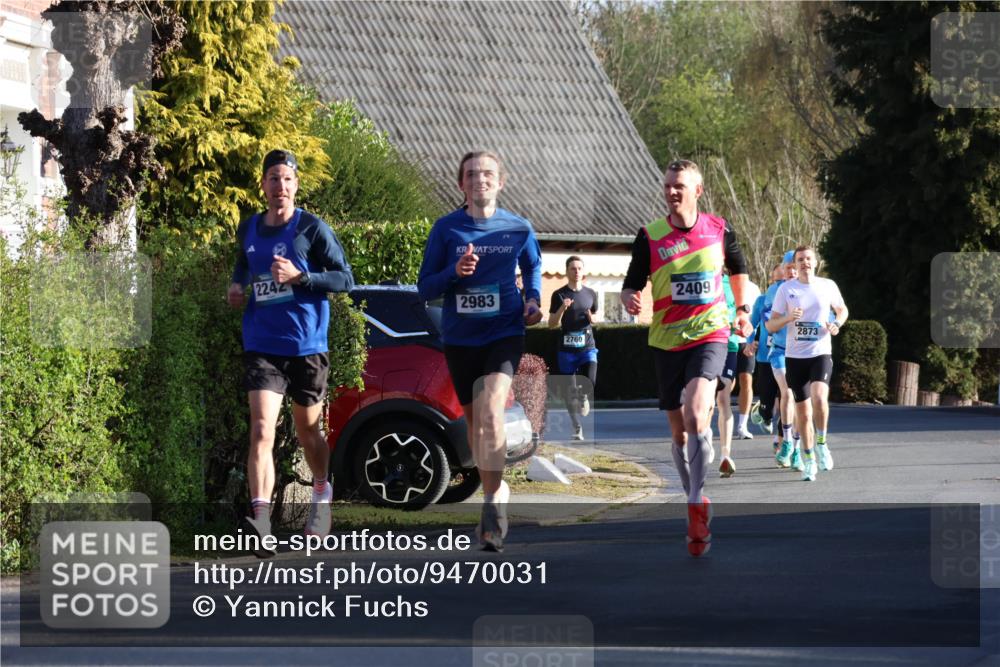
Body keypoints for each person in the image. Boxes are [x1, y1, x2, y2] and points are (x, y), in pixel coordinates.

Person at [620, 159, 752, 557]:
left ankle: (696, 499)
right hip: (666, 340)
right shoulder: (650, 236)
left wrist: (742, 309)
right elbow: (630, 283)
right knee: (678, 434)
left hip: (710, 333)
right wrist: (629, 297)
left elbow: (739, 267)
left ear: (698, 190)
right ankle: (692, 497)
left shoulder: (719, 228)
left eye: (679, 185)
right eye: (667, 186)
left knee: (697, 413)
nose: (671, 192)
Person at [228, 149, 355, 557]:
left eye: (286, 179)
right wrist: (236, 286)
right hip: (262, 343)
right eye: (272, 179)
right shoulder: (248, 228)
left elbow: (345, 279)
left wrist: (302, 276)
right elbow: (243, 267)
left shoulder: (313, 229)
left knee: (307, 432)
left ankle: (321, 491)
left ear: (296, 185)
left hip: (306, 345)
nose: (279, 186)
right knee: (262, 429)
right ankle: (261, 519)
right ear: (262, 184)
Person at [417, 150, 543, 552]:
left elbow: (534, 268)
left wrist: (534, 300)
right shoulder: (446, 230)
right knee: (475, 427)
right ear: (461, 185)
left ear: (500, 182)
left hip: (504, 332)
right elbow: (425, 287)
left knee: (491, 411)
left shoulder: (518, 228)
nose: (480, 180)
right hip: (459, 338)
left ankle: (491, 509)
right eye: (472, 174)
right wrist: (454, 273)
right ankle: (497, 486)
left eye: (487, 174)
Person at [766, 245, 848, 481]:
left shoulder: (827, 285)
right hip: (795, 357)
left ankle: (821, 443)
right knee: (802, 411)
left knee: (820, 397)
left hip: (820, 352)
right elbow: (771, 325)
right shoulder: (786, 289)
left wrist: (837, 324)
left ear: (815, 262)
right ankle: (809, 459)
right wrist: (788, 318)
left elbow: (842, 309)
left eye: (808, 259)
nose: (804, 263)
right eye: (800, 259)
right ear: (795, 264)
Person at [548, 256, 599, 441]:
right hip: (566, 350)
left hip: (587, 346)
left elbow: (594, 318)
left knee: (590, 379)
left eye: (579, 268)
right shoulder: (559, 295)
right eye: (572, 268)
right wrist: (562, 308)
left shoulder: (591, 294)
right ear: (566, 271)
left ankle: (584, 395)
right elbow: (551, 324)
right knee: (569, 392)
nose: (576, 271)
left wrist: (592, 319)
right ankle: (576, 427)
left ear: (583, 272)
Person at [767, 251, 804, 471]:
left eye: (794, 266)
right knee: (787, 392)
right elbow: (768, 321)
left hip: (802, 353)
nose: (791, 271)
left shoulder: (811, 288)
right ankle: (787, 440)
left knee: (800, 400)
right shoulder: (776, 291)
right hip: (780, 350)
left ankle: (797, 447)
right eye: (787, 267)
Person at [748, 262, 784, 452]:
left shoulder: (792, 299)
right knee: (768, 403)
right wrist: (749, 341)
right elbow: (752, 324)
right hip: (764, 357)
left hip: (785, 354)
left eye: (783, 281)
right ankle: (763, 411)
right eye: (776, 281)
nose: (780, 285)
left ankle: (781, 442)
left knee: (786, 397)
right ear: (771, 282)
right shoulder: (762, 301)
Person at [716, 271, 741, 477]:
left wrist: (745, 328)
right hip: (704, 346)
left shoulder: (736, 284)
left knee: (723, 397)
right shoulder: (700, 277)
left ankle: (725, 454)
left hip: (729, 346)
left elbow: (746, 316)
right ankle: (704, 437)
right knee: (705, 400)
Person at [733, 277, 761, 440]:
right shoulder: (722, 284)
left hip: (746, 342)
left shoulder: (753, 288)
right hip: (727, 340)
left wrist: (755, 339)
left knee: (746, 380)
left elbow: (757, 316)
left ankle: (742, 426)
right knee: (726, 383)